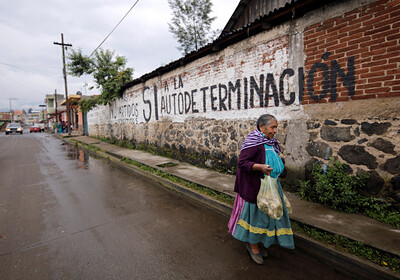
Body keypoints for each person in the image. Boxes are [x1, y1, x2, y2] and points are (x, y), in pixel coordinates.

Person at [228, 114, 294, 265]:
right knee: (256, 218)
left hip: (270, 186)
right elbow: (243, 163)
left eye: (276, 127)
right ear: (261, 127)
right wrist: (260, 167)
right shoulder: (253, 142)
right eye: (273, 127)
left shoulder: (270, 142)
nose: (275, 130)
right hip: (255, 188)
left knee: (268, 216)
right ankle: (253, 246)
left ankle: (260, 242)